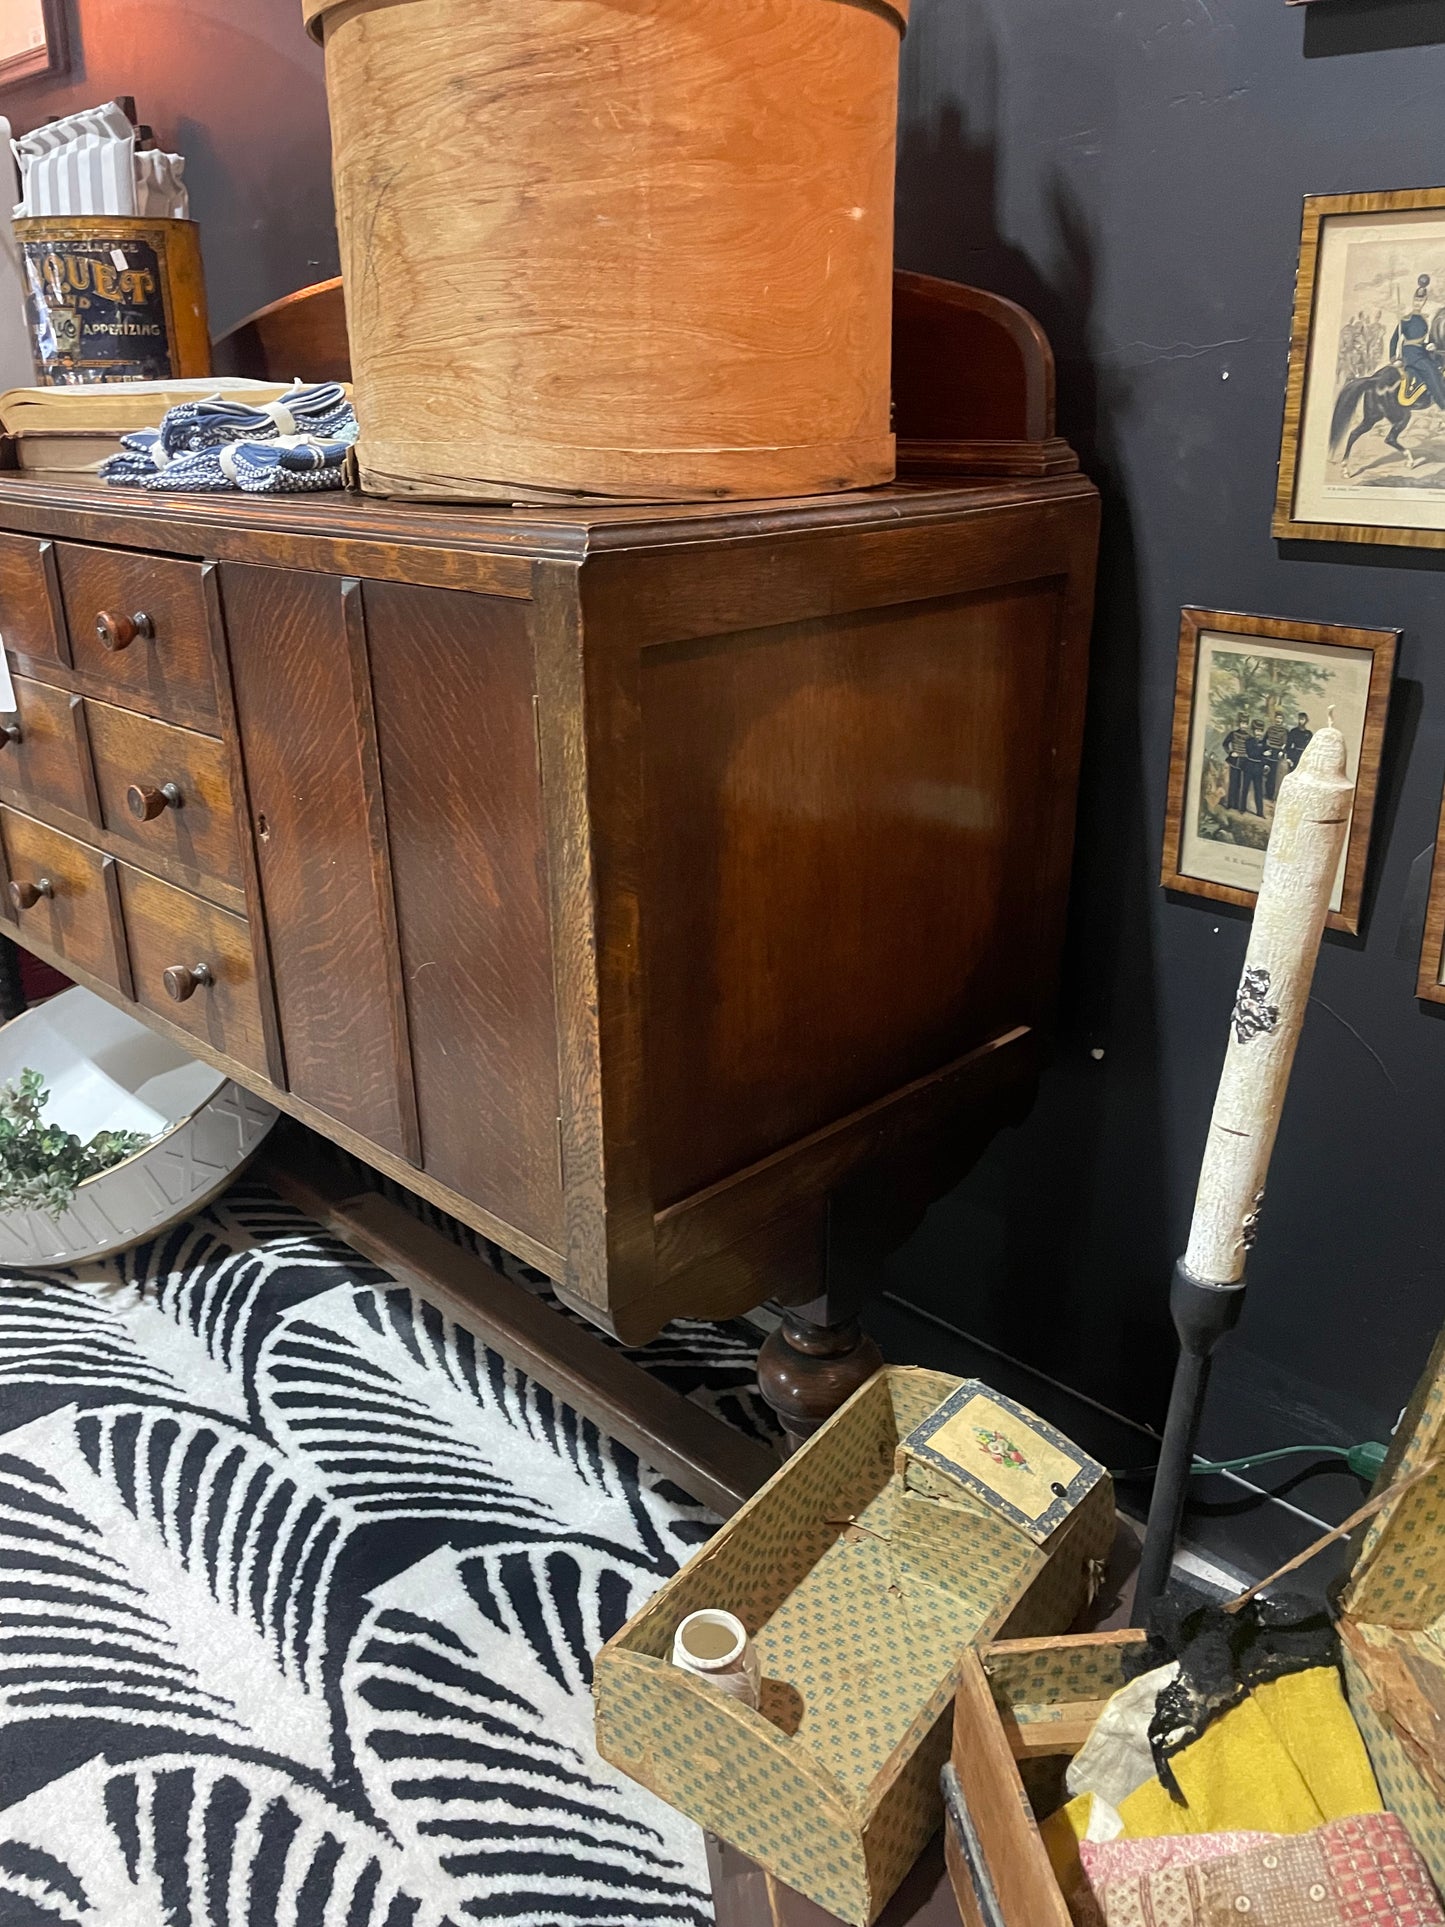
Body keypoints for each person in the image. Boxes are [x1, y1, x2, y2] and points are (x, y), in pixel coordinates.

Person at [1390, 275, 1445, 411]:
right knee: (1431, 371)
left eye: (1420, 301)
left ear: (1424, 301)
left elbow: (1421, 342)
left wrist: (1429, 346)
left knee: (1438, 365)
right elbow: (1394, 340)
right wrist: (1393, 358)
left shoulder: (1423, 320)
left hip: (1421, 352)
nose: (1417, 303)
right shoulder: (1405, 319)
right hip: (1410, 355)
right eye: (1416, 300)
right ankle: (1443, 404)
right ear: (1413, 300)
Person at [1222, 713, 1250, 813]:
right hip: (1234, 761)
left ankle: (1237, 806)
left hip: (1244, 762)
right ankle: (1230, 804)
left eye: (1246, 724)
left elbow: (1250, 749)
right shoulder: (1233, 734)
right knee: (1233, 783)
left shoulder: (1249, 737)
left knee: (1240, 785)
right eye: (1242, 723)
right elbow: (1225, 744)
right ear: (1239, 724)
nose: (1244, 726)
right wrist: (1230, 752)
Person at [1241, 719, 1267, 817]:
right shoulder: (1249, 741)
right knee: (1245, 788)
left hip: (1258, 769)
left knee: (1258, 791)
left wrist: (1263, 758)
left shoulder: (1264, 743)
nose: (1259, 733)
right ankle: (1242, 808)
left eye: (1260, 731)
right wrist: (1262, 753)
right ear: (1253, 731)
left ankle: (1260, 812)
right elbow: (1251, 753)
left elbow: (1266, 757)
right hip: (1249, 766)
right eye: (1257, 730)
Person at [1263, 715, 1289, 801]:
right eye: (1277, 718)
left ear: (1282, 720)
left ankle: (1270, 796)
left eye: (1280, 718)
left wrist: (1282, 751)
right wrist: (1265, 750)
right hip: (1268, 753)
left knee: (1273, 776)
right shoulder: (1270, 729)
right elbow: (1264, 741)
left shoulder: (1284, 731)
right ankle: (1264, 794)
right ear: (1275, 719)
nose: (1278, 720)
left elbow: (1285, 744)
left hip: (1276, 755)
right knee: (1265, 773)